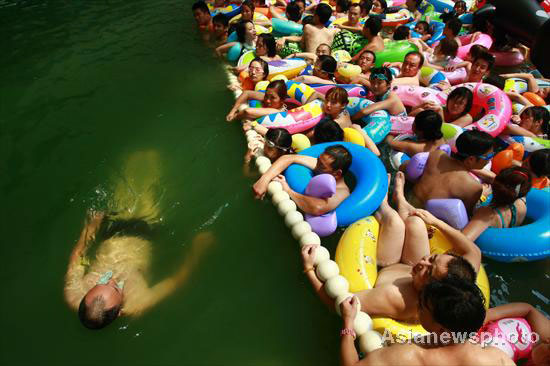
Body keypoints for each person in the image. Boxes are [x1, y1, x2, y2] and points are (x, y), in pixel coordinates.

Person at [301, 171, 482, 322]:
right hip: (406, 268)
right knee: (416, 223)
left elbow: (340, 306)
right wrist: (436, 222)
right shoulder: (463, 277)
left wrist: (309, 268)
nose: (423, 262)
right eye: (432, 258)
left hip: (386, 264)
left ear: (437, 292)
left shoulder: (395, 297)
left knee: (395, 222)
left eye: (429, 273)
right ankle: (400, 198)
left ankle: (383, 203)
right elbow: (473, 250)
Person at [64, 151, 214, 329]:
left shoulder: (74, 294)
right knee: (152, 185)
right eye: (116, 288)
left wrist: (91, 228)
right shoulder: (139, 302)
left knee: (129, 174)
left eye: (101, 282)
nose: (112, 279)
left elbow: (79, 255)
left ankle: (136, 153)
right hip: (145, 232)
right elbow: (175, 281)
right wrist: (197, 250)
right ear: (120, 311)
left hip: (113, 232)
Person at [337, 278, 514, 366]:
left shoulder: (407, 356)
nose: (418, 308)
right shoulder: (498, 358)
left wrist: (348, 322)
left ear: (442, 329)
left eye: (422, 308)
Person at [408, 130, 495, 214]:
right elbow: (464, 214)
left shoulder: (437, 154)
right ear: (471, 159)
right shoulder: (474, 187)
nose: (490, 159)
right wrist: (481, 198)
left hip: (408, 202)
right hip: (424, 218)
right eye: (488, 156)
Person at [253, 145, 352, 216]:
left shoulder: (342, 191)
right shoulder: (320, 165)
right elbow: (288, 158)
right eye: (318, 159)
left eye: (322, 165)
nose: (316, 164)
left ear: (337, 173)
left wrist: (288, 190)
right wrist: (264, 180)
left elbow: (318, 207)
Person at [463, 167, 531, 240]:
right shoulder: (522, 204)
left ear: (493, 185)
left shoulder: (486, 214)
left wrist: (481, 197)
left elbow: (462, 241)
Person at [482, 302, 550, 366]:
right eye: (548, 361)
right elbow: (529, 310)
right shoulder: (545, 331)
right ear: (548, 340)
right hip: (499, 332)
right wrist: (490, 314)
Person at [321, 87, 380, 155]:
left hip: (347, 148)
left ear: (343, 105)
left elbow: (376, 153)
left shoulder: (335, 124)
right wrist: (317, 94)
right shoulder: (344, 112)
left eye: (333, 102)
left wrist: (359, 130)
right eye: (327, 100)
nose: (328, 105)